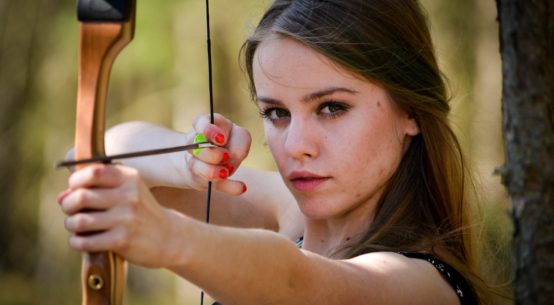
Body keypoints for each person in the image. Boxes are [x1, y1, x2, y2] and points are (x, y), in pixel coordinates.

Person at [58, 0, 491, 304]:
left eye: (332, 107)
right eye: (277, 112)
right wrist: (186, 164)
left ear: (410, 111)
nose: (296, 146)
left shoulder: (421, 285)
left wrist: (170, 237)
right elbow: (103, 152)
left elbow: (295, 284)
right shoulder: (291, 214)